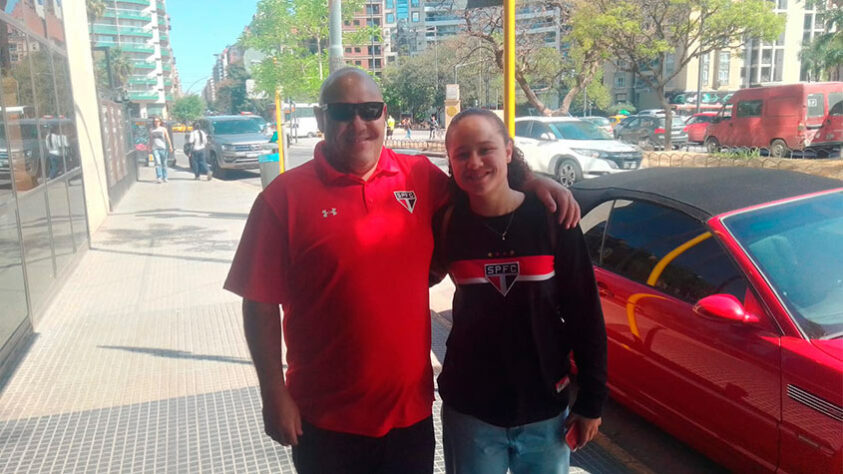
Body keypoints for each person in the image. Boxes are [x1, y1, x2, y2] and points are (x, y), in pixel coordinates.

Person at [224, 68, 580, 474]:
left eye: (369, 110)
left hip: (409, 416)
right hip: (323, 419)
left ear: (384, 115)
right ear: (323, 120)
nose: (357, 124)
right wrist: (273, 393)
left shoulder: (418, 176)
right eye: (342, 112)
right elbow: (259, 304)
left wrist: (533, 182)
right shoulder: (281, 199)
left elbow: (485, 184)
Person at [434, 108, 607, 474]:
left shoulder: (554, 218)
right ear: (450, 161)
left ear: (508, 151)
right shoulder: (446, 225)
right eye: (462, 154)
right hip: (471, 413)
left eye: (486, 149)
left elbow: (585, 314)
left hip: (545, 411)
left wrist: (592, 402)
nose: (475, 162)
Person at [148, 117, 173, 183]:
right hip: (155, 148)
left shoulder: (163, 129)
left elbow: (167, 137)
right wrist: (150, 147)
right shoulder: (151, 130)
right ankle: (159, 177)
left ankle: (165, 177)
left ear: (160, 122)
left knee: (164, 163)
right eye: (155, 121)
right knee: (158, 163)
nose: (156, 122)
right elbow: (151, 139)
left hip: (163, 148)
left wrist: (170, 146)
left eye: (158, 121)